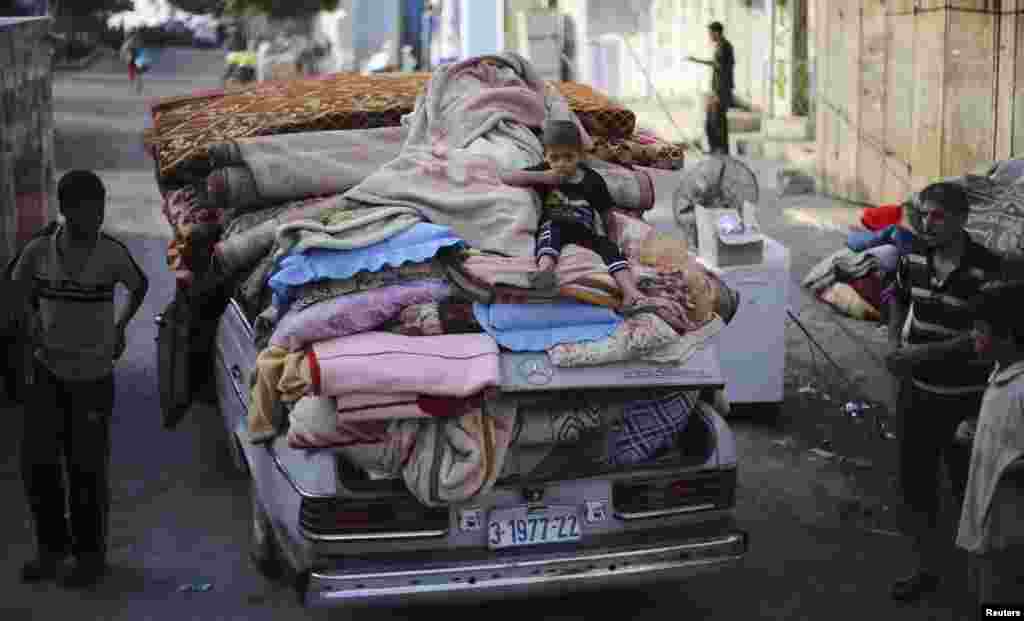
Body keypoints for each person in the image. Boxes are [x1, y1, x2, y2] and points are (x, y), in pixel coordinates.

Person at [11, 171, 148, 589]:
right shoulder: (38, 251)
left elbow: (138, 286)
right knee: (39, 467)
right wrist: (32, 322)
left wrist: (120, 327)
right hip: (46, 374)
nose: (98, 216)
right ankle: (51, 552)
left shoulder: (111, 254)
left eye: (101, 207)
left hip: (93, 378)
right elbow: (16, 287)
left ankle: (89, 559)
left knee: (86, 469)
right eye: (90, 208)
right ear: (68, 210)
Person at [885, 181, 1003, 602]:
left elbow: (982, 338)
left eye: (937, 215)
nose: (926, 223)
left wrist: (919, 354)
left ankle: (984, 591)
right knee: (916, 486)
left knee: (968, 489)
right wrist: (894, 344)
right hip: (917, 393)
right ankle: (927, 568)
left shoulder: (988, 268)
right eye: (922, 213)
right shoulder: (913, 254)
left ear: (961, 219)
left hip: (967, 399)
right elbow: (897, 299)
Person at [500, 120, 648, 313]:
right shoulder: (544, 172)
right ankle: (545, 273)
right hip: (555, 224)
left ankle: (631, 292)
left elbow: (607, 215)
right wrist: (542, 177)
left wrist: (612, 241)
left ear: (580, 155)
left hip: (584, 229)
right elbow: (507, 177)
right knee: (548, 236)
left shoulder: (592, 180)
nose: (561, 164)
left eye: (568, 157)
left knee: (610, 248)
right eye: (555, 158)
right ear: (546, 156)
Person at [957, 281, 1024, 602]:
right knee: (988, 591)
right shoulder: (1000, 371)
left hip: (1011, 525)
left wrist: (1008, 465)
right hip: (987, 512)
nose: (973, 335)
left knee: (1004, 598)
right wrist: (973, 430)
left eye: (979, 329)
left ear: (1007, 336)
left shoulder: (1022, 389)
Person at [686, 22, 735, 155]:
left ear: (717, 32)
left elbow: (723, 67)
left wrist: (697, 60)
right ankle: (717, 148)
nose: (709, 36)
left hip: (721, 90)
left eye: (710, 33)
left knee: (716, 121)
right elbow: (718, 65)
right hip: (718, 89)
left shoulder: (725, 47)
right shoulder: (721, 46)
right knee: (713, 120)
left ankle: (720, 149)